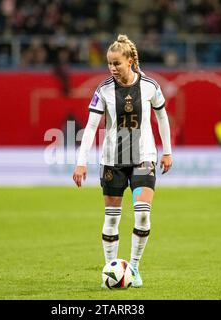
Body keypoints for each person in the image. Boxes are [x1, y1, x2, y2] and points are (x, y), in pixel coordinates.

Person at [72, 34, 173, 288]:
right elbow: (92, 126)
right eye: (109, 63)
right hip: (112, 161)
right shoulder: (103, 90)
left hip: (144, 157)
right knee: (112, 218)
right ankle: (111, 269)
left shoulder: (150, 86)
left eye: (116, 63)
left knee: (142, 215)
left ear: (130, 61)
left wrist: (168, 151)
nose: (112, 68)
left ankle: (135, 268)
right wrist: (81, 162)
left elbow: (162, 117)